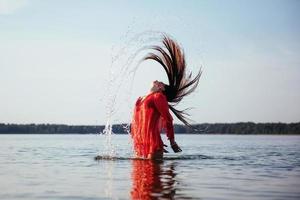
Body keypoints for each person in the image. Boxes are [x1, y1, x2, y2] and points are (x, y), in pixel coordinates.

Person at [130, 35, 202, 160]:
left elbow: (168, 119)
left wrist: (172, 141)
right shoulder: (140, 99)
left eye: (162, 84)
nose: (158, 81)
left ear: (162, 90)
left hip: (153, 146)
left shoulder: (158, 97)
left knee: (154, 179)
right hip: (141, 147)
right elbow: (135, 124)